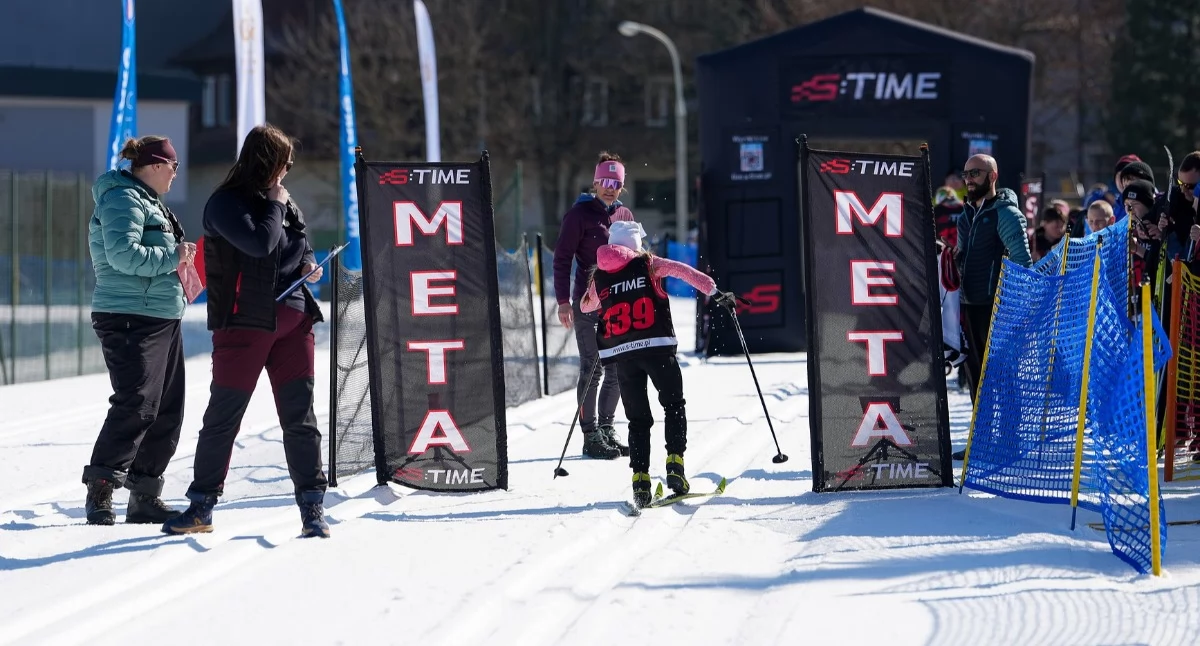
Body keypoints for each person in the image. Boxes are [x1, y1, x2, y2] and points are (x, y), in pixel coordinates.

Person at [163, 124, 329, 538]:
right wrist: (275, 203)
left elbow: (300, 244)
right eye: (284, 162)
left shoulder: (282, 202)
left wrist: (308, 265)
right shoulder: (226, 204)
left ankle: (313, 508)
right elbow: (261, 244)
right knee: (225, 416)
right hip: (245, 323)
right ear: (267, 161)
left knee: (299, 416)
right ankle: (202, 506)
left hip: (292, 320)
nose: (288, 171)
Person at [579, 221, 736, 507]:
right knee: (674, 405)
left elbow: (586, 306)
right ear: (635, 244)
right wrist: (715, 292)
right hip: (658, 348)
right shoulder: (649, 263)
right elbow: (685, 272)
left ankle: (640, 480)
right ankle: (675, 465)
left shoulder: (600, 276)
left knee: (638, 420)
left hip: (624, 355)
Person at [83, 136, 195, 526]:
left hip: (161, 315)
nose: (176, 173)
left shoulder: (148, 200)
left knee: (167, 408)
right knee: (137, 403)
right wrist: (174, 256)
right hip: (129, 314)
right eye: (173, 165)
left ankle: (144, 495)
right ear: (154, 164)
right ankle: (101, 487)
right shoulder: (122, 198)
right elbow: (123, 255)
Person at [552, 152, 635, 460]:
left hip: (618, 300)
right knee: (593, 366)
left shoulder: (624, 215)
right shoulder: (580, 215)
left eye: (616, 183)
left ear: (622, 186)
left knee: (615, 366)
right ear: (596, 182)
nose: (609, 188)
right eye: (605, 182)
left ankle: (607, 429)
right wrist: (563, 302)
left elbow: (634, 256)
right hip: (588, 301)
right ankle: (590, 435)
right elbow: (561, 260)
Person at [955, 154, 1032, 404]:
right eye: (965, 174)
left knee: (1004, 379)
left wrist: (1016, 310)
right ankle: (980, 439)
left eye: (975, 173)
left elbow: (1022, 262)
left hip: (996, 309)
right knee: (976, 380)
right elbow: (963, 257)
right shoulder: (965, 214)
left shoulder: (1006, 213)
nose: (969, 179)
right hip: (969, 306)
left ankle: (1010, 439)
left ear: (993, 176)